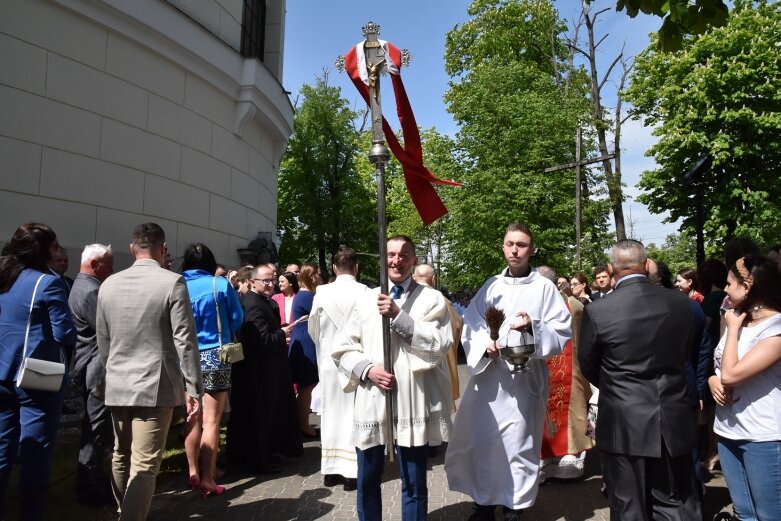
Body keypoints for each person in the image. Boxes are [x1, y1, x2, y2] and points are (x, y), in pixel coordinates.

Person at [444, 223, 571, 521]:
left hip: (524, 383)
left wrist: (533, 327)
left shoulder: (544, 288)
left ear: (532, 249)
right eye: (510, 243)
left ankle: (515, 505)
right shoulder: (491, 286)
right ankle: (486, 504)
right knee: (486, 443)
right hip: (489, 381)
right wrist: (484, 344)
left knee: (518, 445)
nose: (515, 249)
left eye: (522, 244)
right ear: (502, 246)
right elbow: (471, 326)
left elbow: (562, 331)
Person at [578, 240, 701, 521]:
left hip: (624, 420)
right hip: (672, 415)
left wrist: (619, 386)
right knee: (674, 503)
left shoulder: (599, 310)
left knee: (628, 506)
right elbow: (686, 353)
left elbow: (588, 364)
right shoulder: (680, 303)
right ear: (647, 265)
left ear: (611, 269)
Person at [333, 235, 453, 520]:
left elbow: (440, 343)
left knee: (413, 481)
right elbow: (342, 348)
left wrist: (400, 316)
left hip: (413, 399)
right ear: (382, 258)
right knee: (367, 479)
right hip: (373, 398)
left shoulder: (432, 298)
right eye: (390, 254)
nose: (396, 260)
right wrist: (368, 369)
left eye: (403, 255)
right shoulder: (365, 299)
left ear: (413, 259)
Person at [96, 223, 202, 520]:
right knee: (143, 465)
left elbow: (102, 339)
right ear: (163, 248)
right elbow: (185, 339)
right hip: (155, 386)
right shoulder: (172, 282)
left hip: (118, 382)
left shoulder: (108, 284)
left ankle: (124, 510)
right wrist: (194, 387)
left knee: (122, 455)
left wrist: (112, 371)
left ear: (132, 248)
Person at [0, 223, 77, 521]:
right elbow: (65, 333)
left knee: (4, 447)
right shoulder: (48, 283)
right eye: (55, 246)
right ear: (44, 249)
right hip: (36, 373)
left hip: (4, 369)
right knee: (36, 451)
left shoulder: (5, 275)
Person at [709, 255, 781, 521]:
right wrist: (711, 381)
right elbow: (718, 371)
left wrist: (733, 328)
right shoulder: (736, 319)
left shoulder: (775, 328)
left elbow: (731, 373)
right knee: (744, 512)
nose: (725, 289)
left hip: (763, 436)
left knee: (769, 514)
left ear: (748, 285)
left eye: (730, 283)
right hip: (728, 431)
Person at [181, 243, 244, 496]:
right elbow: (237, 318)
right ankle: (209, 475)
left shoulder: (177, 284)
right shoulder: (220, 284)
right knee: (211, 420)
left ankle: (192, 472)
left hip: (185, 356)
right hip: (216, 355)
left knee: (191, 416)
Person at [227, 264, 302, 474]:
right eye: (265, 281)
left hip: (264, 370)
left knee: (264, 416)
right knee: (258, 418)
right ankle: (259, 460)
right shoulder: (253, 304)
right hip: (257, 373)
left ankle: (264, 454)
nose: (271, 284)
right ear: (252, 282)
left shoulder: (261, 301)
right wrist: (282, 333)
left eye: (273, 280)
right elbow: (262, 340)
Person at [308, 247, 367, 491]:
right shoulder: (365, 292)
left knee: (330, 414)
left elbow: (313, 328)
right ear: (357, 267)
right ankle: (352, 472)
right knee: (354, 415)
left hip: (329, 363)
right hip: (355, 362)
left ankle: (331, 470)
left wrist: (324, 350)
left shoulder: (322, 293)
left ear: (333, 267)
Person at [535, 266, 593, 483]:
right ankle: (546, 467)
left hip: (567, 370)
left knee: (567, 416)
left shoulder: (574, 306)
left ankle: (565, 468)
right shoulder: (573, 305)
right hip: (543, 372)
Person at [69, 243, 115, 505]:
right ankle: (91, 488)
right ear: (95, 265)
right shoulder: (91, 292)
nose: (112, 269)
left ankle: (94, 482)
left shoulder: (82, 285)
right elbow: (108, 329)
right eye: (109, 265)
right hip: (96, 368)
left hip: (92, 366)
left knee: (96, 428)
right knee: (96, 429)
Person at [289, 263, 320, 437]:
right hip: (306, 340)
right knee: (306, 386)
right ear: (311, 276)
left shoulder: (303, 294)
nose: (320, 278)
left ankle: (302, 423)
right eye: (317, 274)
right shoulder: (307, 295)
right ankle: (303, 425)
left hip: (303, 338)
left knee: (305, 386)